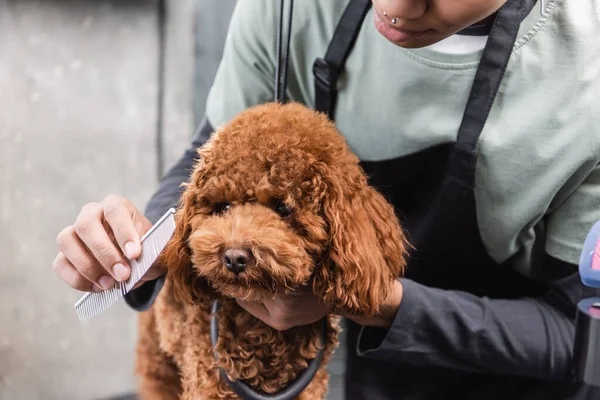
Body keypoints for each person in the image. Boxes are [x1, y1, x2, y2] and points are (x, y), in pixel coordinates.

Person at [53, 0, 600, 399]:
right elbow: (212, 154)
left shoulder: (586, 80)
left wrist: (376, 302)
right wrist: (144, 243)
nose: (396, 5)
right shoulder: (288, 8)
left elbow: (574, 333)